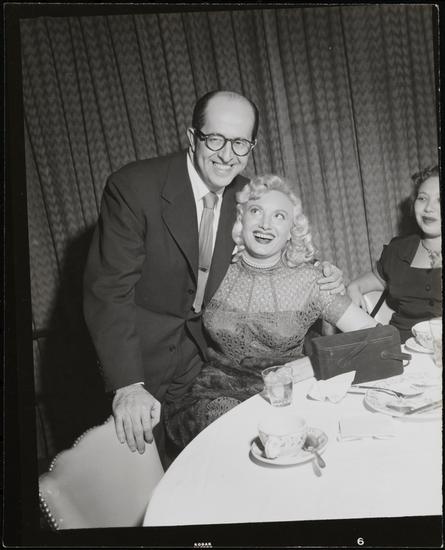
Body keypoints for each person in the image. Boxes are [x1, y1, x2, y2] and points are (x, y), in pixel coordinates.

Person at [83, 90, 344, 462]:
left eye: (240, 143)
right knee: (144, 473)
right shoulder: (134, 187)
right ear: (193, 137)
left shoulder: (245, 195)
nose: (227, 155)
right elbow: (109, 290)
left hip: (202, 366)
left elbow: (276, 248)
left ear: (251, 146)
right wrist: (127, 384)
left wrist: (324, 273)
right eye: (215, 139)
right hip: (138, 361)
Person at [164, 174, 377, 451]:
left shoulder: (313, 281)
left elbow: (377, 337)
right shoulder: (212, 272)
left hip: (285, 396)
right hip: (216, 395)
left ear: (292, 230)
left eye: (279, 216)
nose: (265, 224)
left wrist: (316, 363)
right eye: (256, 211)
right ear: (241, 219)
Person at [347, 165, 441, 343]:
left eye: (440, 199)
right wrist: (354, 286)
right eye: (422, 198)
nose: (428, 208)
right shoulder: (399, 249)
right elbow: (379, 279)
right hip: (401, 347)